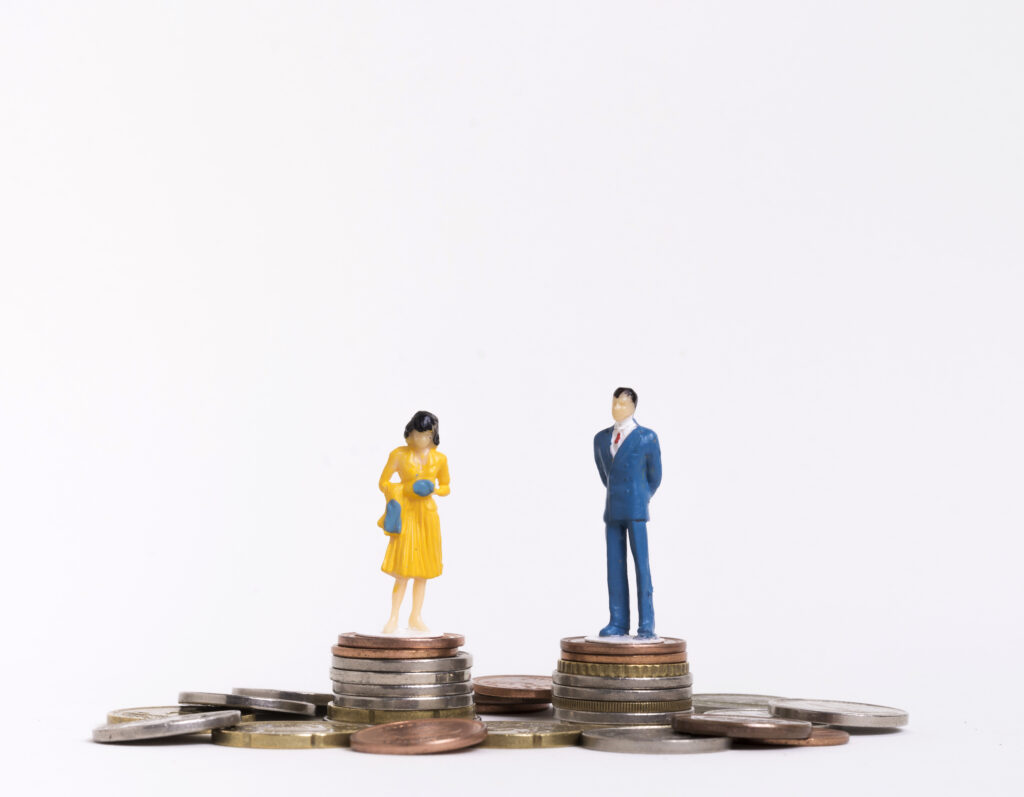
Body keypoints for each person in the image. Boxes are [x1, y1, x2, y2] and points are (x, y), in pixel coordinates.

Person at [593, 387, 662, 638]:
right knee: (615, 566)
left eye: (622, 405)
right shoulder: (600, 439)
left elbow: (655, 476)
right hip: (612, 508)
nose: (617, 409)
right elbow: (605, 474)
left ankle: (646, 624)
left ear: (633, 407)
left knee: (641, 566)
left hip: (635, 508)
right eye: (614, 404)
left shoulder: (647, 437)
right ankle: (618, 620)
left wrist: (641, 497)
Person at [377, 410, 450, 633]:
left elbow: (446, 486)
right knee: (403, 569)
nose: (422, 440)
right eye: (418, 435)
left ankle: (416, 616)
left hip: (426, 515)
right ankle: (393, 617)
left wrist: (435, 489)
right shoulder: (398, 455)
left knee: (422, 572)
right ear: (410, 433)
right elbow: (383, 482)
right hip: (407, 513)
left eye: (427, 435)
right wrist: (404, 489)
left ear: (433, 435)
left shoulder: (440, 459)